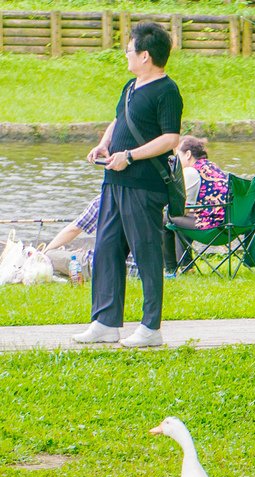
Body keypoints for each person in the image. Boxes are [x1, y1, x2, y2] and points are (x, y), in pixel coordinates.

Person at [74, 22, 182, 348]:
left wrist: (130, 156)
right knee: (106, 249)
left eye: (129, 48)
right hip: (114, 179)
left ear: (145, 55)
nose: (126, 53)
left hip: (143, 184)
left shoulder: (167, 91)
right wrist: (104, 144)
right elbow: (120, 119)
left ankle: (151, 329)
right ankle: (105, 322)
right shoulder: (131, 85)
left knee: (147, 254)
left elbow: (170, 138)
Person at [163, 135, 229, 274]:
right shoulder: (211, 166)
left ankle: (170, 269)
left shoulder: (190, 171)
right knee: (182, 219)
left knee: (166, 218)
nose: (175, 160)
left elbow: (182, 209)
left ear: (187, 154)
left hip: (212, 227)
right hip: (228, 224)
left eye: (177, 156)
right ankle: (187, 267)